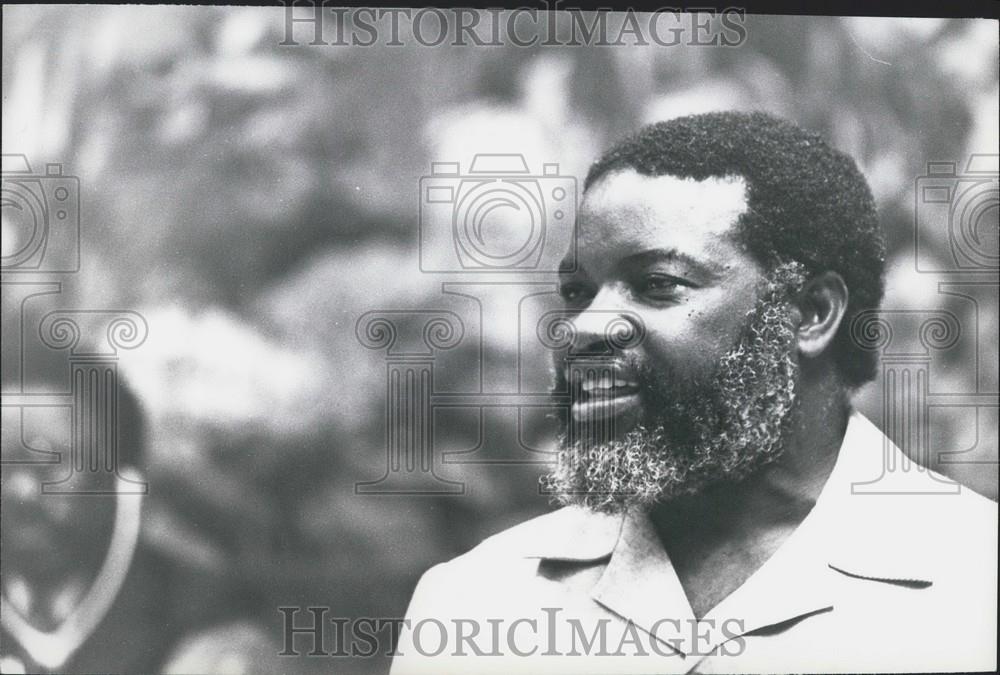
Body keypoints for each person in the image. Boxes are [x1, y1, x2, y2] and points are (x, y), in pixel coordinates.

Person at [391, 111, 997, 674]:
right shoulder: (472, 601)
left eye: (657, 284)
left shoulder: (979, 584)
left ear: (811, 313)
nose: (586, 327)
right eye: (578, 293)